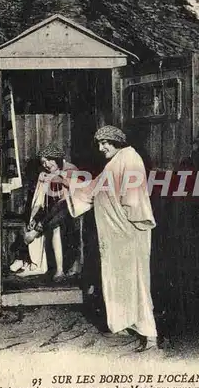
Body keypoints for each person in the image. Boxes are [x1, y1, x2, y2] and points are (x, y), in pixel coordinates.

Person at [63, 125, 158, 352]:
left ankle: (151, 337)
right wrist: (70, 184)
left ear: (118, 142)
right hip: (115, 236)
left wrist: (133, 226)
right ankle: (124, 324)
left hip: (129, 234)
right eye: (98, 143)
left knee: (136, 282)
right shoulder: (113, 163)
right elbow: (93, 189)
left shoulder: (130, 159)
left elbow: (134, 198)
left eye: (106, 142)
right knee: (118, 280)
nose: (101, 147)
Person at [15, 143, 80, 281]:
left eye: (48, 161)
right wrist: (35, 217)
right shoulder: (48, 174)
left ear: (55, 158)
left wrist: (57, 176)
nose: (46, 164)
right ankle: (59, 271)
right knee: (55, 223)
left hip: (74, 209)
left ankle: (36, 232)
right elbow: (45, 201)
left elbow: (71, 194)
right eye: (43, 162)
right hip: (56, 213)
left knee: (60, 207)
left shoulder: (70, 168)